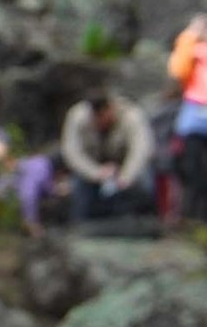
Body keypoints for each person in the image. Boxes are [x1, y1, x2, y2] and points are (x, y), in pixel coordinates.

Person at [57, 92, 155, 226]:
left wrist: (126, 176)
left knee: (144, 183)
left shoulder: (132, 116)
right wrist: (96, 172)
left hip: (123, 166)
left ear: (111, 108)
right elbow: (72, 152)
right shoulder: (77, 117)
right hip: (92, 167)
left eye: (103, 116)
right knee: (79, 188)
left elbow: (141, 150)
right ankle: (80, 227)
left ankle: (139, 223)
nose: (100, 122)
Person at [168, 16, 207, 221]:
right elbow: (177, 70)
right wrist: (190, 35)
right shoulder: (192, 49)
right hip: (195, 115)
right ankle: (194, 216)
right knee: (192, 168)